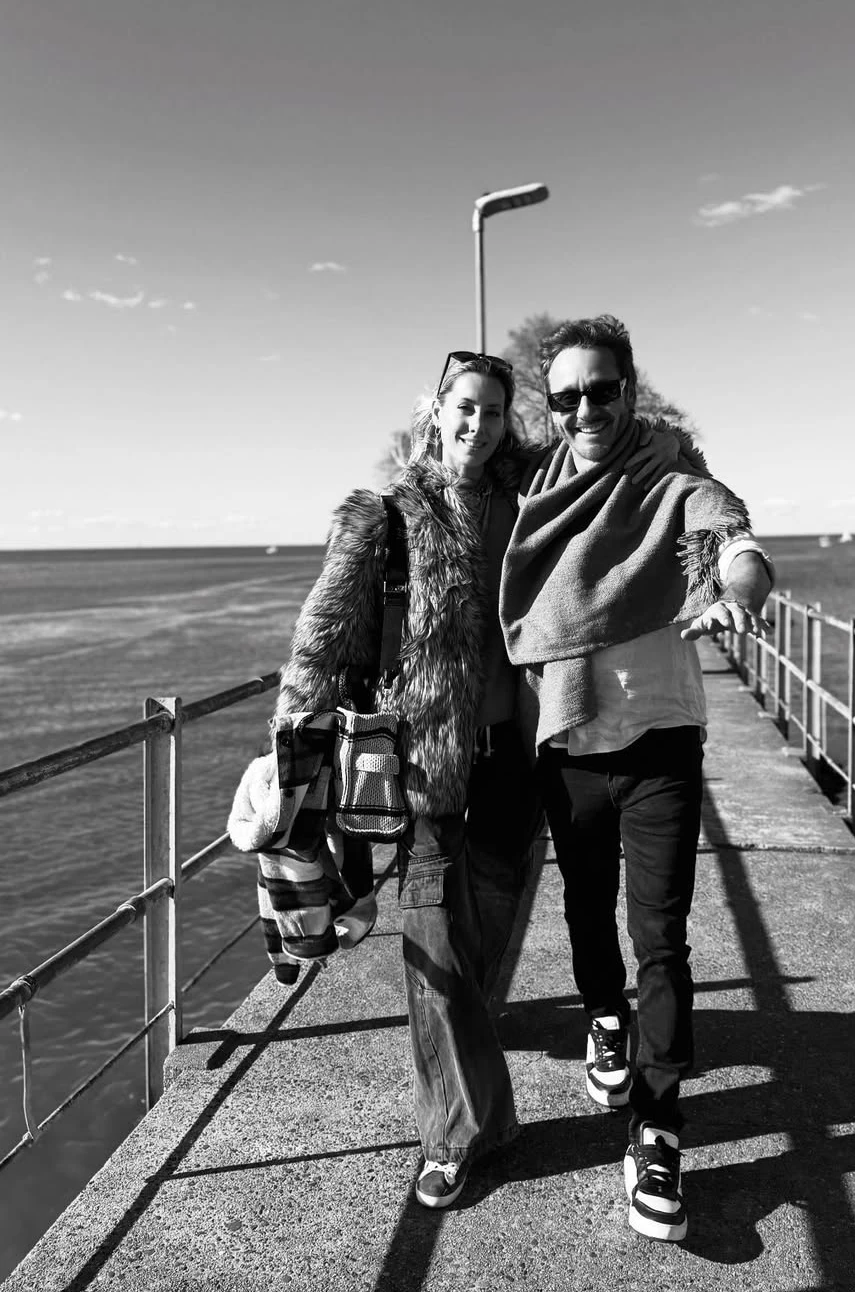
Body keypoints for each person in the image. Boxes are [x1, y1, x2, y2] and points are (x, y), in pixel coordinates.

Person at [260, 350, 684, 1212]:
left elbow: (624, 468)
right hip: (421, 770)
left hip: (520, 764)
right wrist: (287, 748)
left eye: (492, 412)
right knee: (436, 952)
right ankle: (457, 1133)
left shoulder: (535, 497)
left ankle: (474, 1062)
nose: (476, 425)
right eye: (464, 408)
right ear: (436, 412)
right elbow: (323, 636)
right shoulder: (386, 515)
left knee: (481, 945)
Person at [500, 314, 774, 1244]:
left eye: (601, 390)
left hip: (660, 740)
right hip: (567, 742)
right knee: (586, 910)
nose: (585, 408)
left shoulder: (672, 480)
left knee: (663, 937)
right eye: (566, 395)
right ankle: (603, 1018)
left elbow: (731, 536)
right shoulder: (534, 492)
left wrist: (741, 585)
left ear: (630, 390)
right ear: (551, 405)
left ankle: (656, 1130)